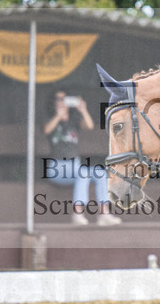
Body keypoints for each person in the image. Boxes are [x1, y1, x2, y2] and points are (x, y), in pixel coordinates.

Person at [43, 90, 121, 226]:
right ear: (53, 102)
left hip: (75, 167)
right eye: (58, 99)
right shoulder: (50, 117)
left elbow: (89, 125)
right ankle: (77, 213)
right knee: (83, 172)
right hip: (57, 168)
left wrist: (83, 110)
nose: (61, 102)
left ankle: (104, 214)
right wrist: (58, 115)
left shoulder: (73, 119)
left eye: (64, 99)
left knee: (101, 173)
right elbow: (46, 130)